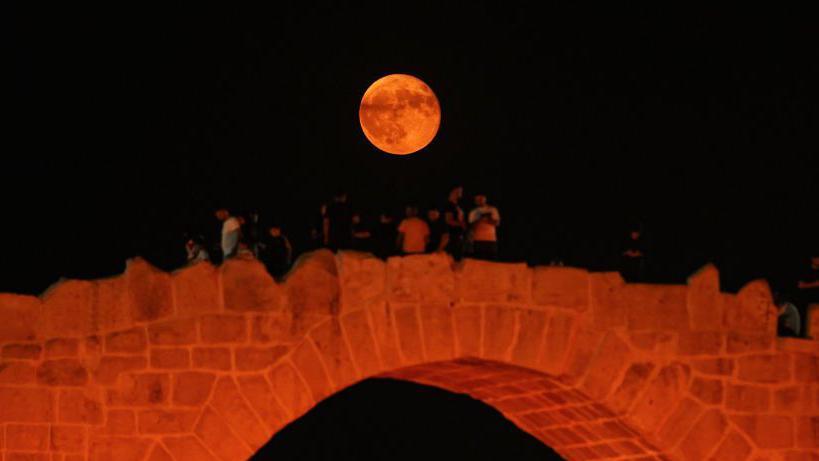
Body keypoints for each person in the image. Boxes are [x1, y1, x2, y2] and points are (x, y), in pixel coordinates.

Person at [467, 194, 501, 260]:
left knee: (492, 263)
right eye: (478, 199)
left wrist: (487, 218)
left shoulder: (492, 209)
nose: (480, 200)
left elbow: (497, 223)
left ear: (485, 199)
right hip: (478, 240)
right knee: (478, 262)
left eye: (481, 198)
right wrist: (479, 219)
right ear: (475, 201)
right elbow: (471, 226)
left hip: (491, 239)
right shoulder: (473, 212)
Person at [796, 254, 819, 336]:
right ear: (812, 259)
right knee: (806, 323)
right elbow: (800, 285)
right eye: (817, 258)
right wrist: (814, 284)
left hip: (817, 303)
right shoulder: (806, 271)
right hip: (808, 302)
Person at [443, 186, 466, 259]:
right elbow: (448, 220)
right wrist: (461, 224)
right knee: (453, 260)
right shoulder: (449, 205)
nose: (461, 193)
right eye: (459, 191)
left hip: (458, 236)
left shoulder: (457, 205)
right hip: (452, 237)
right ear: (452, 192)